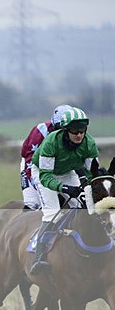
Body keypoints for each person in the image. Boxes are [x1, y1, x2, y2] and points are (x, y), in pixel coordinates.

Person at [30, 107, 99, 273]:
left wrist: (89, 189)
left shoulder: (89, 144)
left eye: (82, 130)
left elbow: (93, 174)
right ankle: (38, 258)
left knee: (84, 208)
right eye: (75, 131)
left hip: (68, 172)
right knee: (53, 213)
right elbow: (46, 177)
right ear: (65, 130)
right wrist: (65, 188)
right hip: (44, 173)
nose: (79, 135)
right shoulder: (51, 142)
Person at [19, 104, 72, 210]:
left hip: (60, 166)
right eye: (59, 128)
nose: (62, 133)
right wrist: (38, 187)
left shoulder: (76, 134)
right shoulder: (40, 132)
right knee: (33, 203)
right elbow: (30, 162)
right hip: (33, 165)